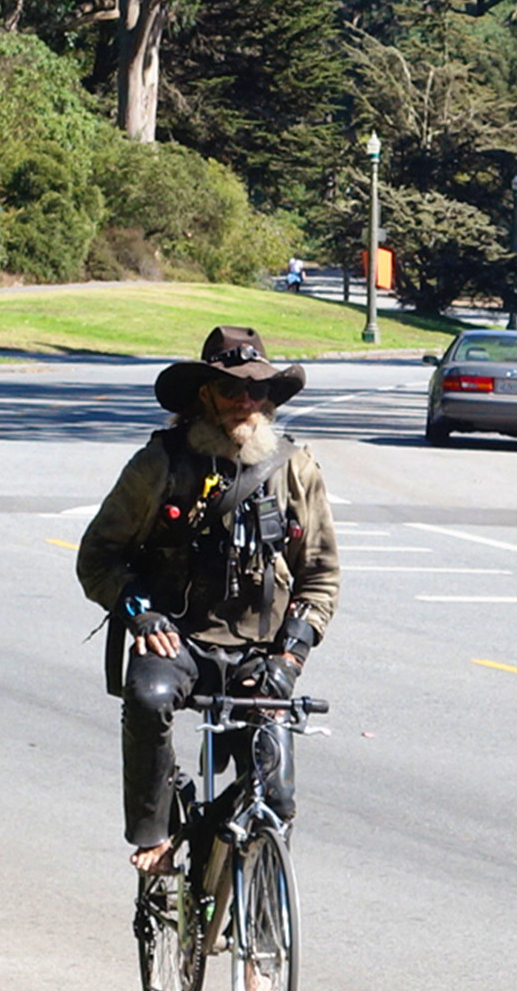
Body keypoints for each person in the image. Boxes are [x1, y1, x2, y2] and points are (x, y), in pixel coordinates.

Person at [76, 326, 341, 876]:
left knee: (276, 797)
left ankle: (261, 936)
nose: (246, 401)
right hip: (177, 639)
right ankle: (157, 830)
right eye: (231, 390)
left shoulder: (295, 468)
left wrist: (289, 659)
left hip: (261, 652)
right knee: (148, 699)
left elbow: (321, 575)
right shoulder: (161, 464)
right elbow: (98, 555)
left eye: (258, 390)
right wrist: (138, 612)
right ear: (204, 395)